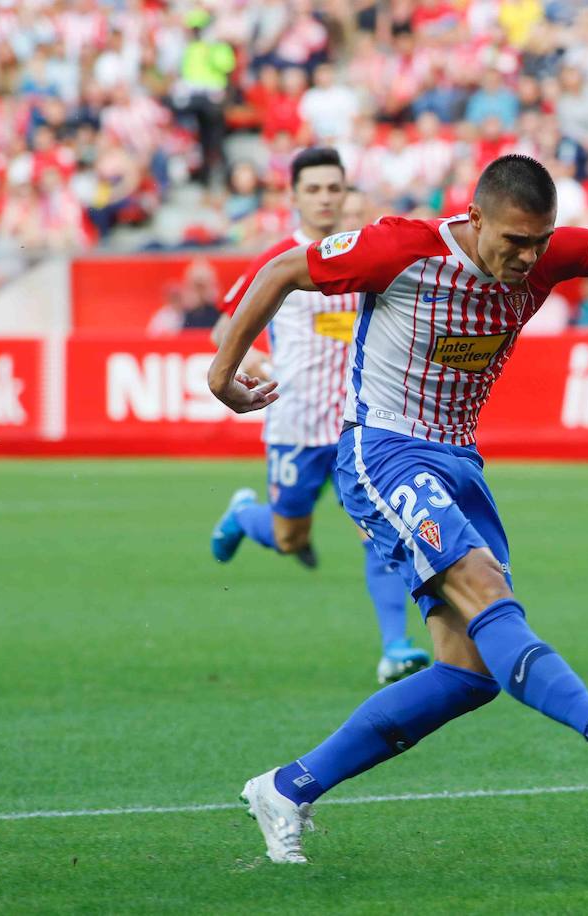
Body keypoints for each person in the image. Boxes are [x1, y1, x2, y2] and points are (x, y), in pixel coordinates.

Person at [209, 154, 588, 864]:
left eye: (540, 242)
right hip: (383, 451)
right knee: (484, 588)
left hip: (458, 462)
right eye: (513, 242)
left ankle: (287, 787)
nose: (527, 258)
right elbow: (285, 268)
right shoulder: (402, 247)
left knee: (468, 674)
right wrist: (223, 371)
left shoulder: (546, 256)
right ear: (475, 220)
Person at [208, 148, 430, 686]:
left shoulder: (366, 253)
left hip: (362, 420)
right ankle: (244, 517)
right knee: (289, 537)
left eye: (334, 188)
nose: (326, 198)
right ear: (295, 197)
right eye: (314, 189)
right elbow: (223, 332)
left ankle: (396, 646)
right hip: (295, 420)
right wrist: (259, 363)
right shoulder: (279, 258)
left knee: (377, 532)